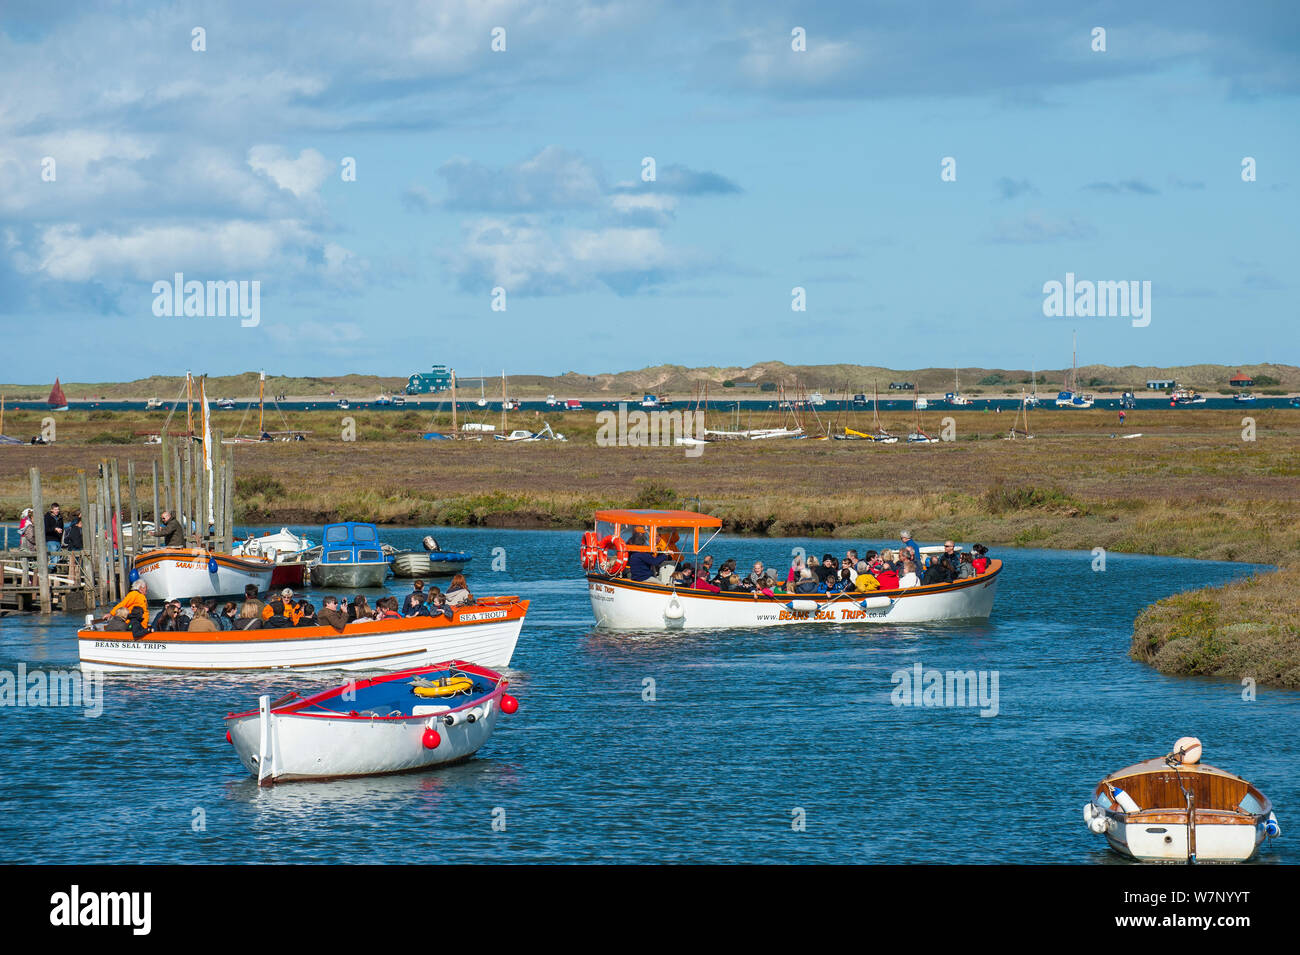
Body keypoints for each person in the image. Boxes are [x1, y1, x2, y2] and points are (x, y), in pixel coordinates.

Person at [62, 512, 84, 584]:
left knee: (77, 565)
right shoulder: (75, 529)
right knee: (77, 565)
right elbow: (76, 541)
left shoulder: (77, 529)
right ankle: (77, 579)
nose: (82, 524)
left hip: (76, 548)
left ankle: (77, 579)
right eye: (81, 523)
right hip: (75, 549)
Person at [44, 503, 63, 569]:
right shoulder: (47, 517)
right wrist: (55, 529)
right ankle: (48, 572)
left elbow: (62, 528)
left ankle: (52, 573)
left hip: (58, 540)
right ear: (51, 510)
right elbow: (45, 529)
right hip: (50, 540)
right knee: (54, 559)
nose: (57, 511)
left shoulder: (60, 517)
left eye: (58, 509)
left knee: (58, 559)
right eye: (55, 509)